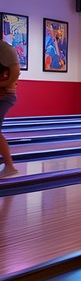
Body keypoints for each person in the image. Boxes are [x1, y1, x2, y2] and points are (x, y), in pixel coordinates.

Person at [0, 39, 20, 178]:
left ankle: (9, 166)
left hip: (4, 95)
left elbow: (16, 71)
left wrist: (3, 85)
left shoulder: (5, 49)